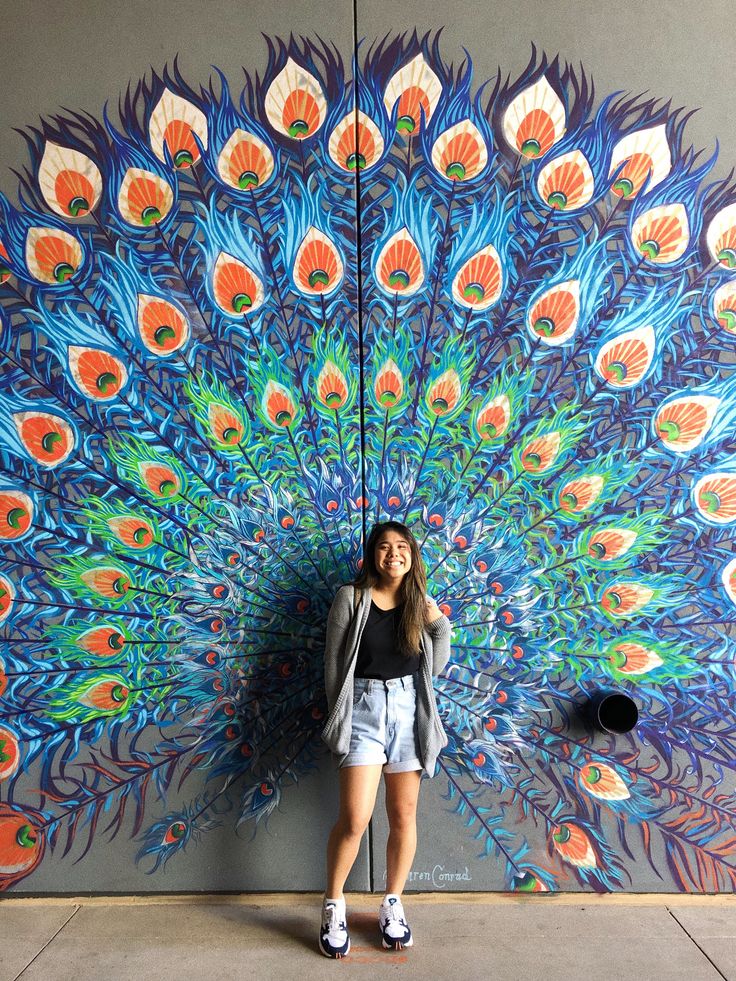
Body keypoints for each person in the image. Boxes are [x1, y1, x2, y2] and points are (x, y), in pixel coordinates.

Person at [318, 520, 452, 958]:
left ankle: (393, 903)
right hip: (364, 709)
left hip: (410, 709)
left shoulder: (420, 604)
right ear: (371, 554)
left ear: (412, 555)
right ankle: (334, 904)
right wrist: (341, 715)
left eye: (401, 547)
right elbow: (334, 664)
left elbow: (434, 668)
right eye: (383, 547)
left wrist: (440, 624)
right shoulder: (351, 598)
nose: (393, 553)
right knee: (355, 818)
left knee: (403, 814)